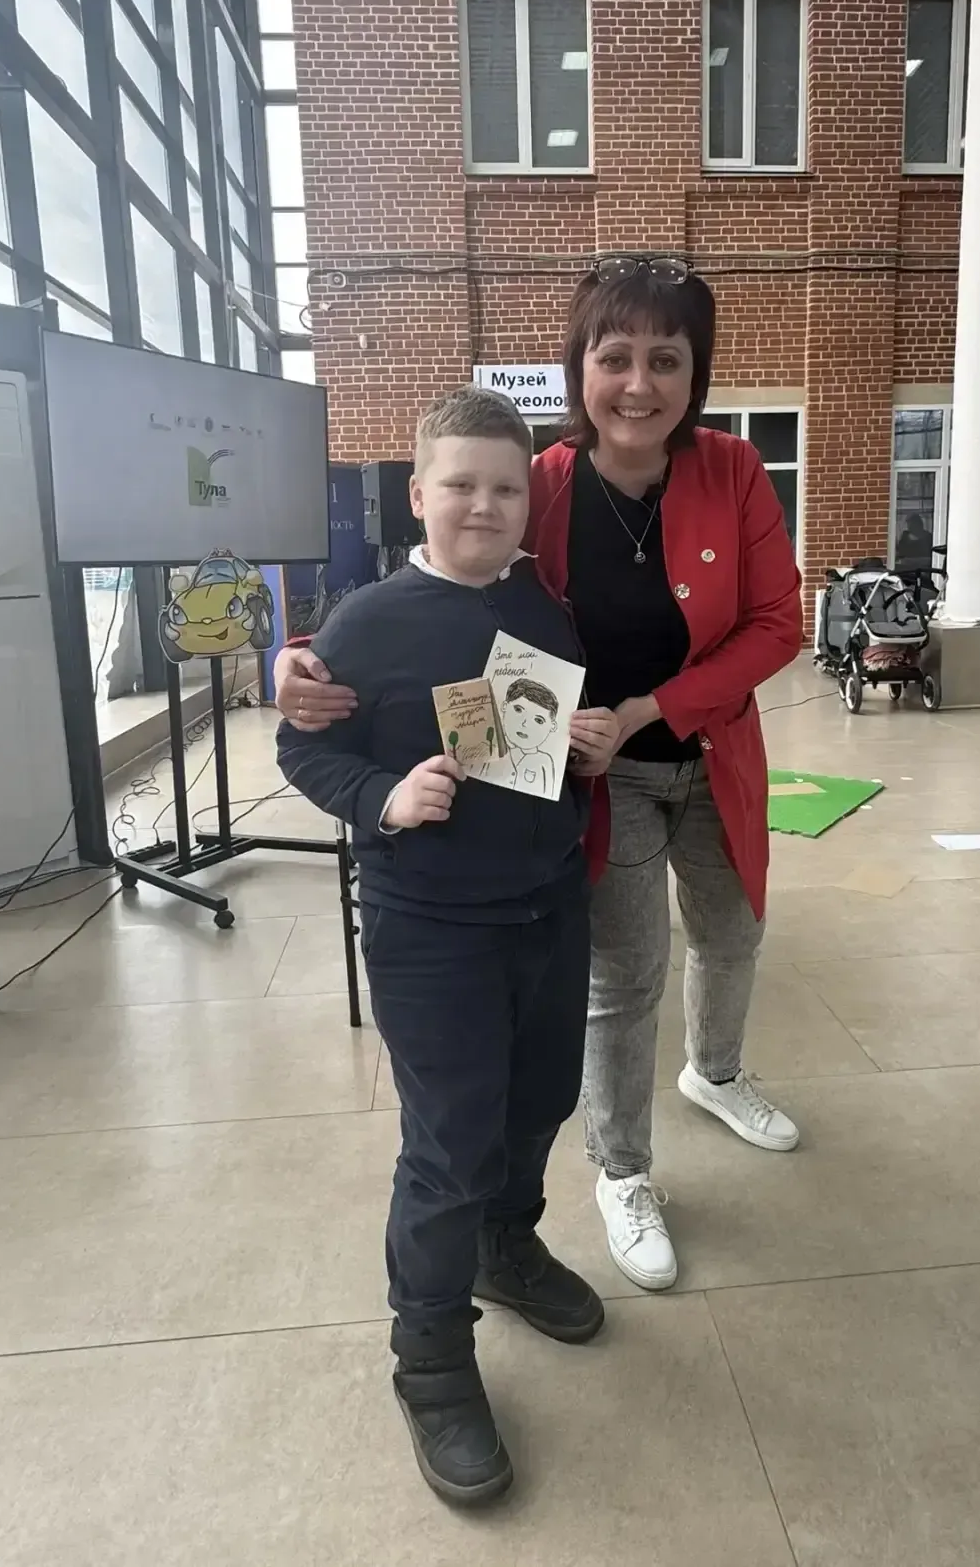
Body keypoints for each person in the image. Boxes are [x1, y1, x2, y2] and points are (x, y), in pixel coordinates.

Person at [276, 255, 804, 1294]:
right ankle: (623, 1171)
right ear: (579, 369)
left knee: (732, 930)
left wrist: (650, 709)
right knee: (626, 972)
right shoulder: (542, 480)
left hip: (705, 748)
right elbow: (432, 587)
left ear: (695, 374)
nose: (639, 384)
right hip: (587, 780)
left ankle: (714, 1072)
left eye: (666, 359)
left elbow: (776, 623)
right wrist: (290, 660)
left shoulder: (732, 470)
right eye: (616, 358)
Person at [277, 387, 618, 1508]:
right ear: (417, 494)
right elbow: (302, 750)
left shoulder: (543, 610)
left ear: (530, 501)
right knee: (448, 1145)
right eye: (459, 484)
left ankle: (504, 1246)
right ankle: (428, 1359)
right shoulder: (365, 623)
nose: (483, 505)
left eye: (504, 487)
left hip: (548, 906)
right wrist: (382, 795)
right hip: (430, 927)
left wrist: (584, 749)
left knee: (541, 1100)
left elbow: (541, 741)